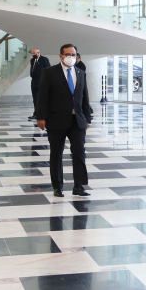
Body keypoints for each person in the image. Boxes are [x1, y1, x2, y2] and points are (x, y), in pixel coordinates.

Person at [36, 43, 93, 198]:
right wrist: (41, 117)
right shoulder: (49, 72)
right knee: (56, 153)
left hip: (77, 120)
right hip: (56, 120)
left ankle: (79, 186)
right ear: (61, 56)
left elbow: (84, 97)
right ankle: (57, 186)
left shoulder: (81, 73)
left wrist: (87, 117)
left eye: (73, 55)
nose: (71, 57)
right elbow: (42, 97)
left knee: (79, 152)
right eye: (67, 54)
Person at [28, 49, 50, 121]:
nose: (34, 54)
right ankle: (36, 113)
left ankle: (42, 114)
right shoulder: (32, 60)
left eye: (35, 53)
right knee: (35, 98)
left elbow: (48, 69)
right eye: (32, 53)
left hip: (41, 82)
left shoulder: (44, 59)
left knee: (41, 99)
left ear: (38, 53)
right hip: (34, 81)